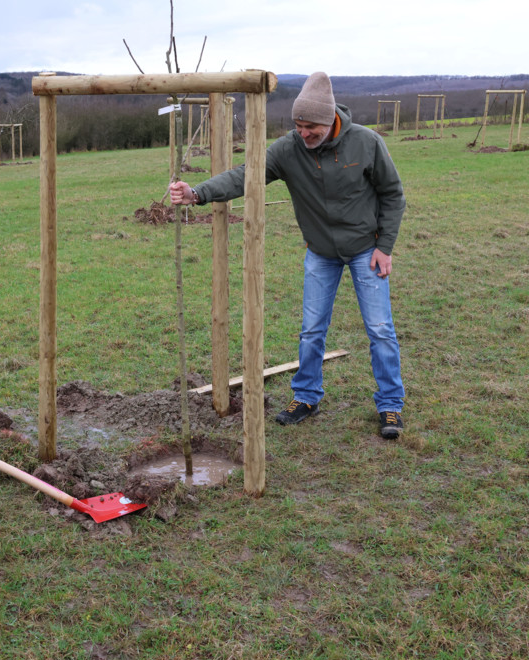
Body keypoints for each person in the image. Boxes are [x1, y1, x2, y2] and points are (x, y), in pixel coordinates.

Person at [170, 72, 406, 440]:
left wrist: (384, 246)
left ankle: (390, 404)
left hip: (365, 250)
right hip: (321, 253)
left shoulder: (366, 143)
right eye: (298, 125)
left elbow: (393, 194)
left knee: (379, 329)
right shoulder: (288, 149)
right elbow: (245, 175)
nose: (303, 133)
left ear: (330, 121)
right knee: (312, 330)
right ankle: (306, 396)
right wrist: (197, 193)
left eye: (310, 126)